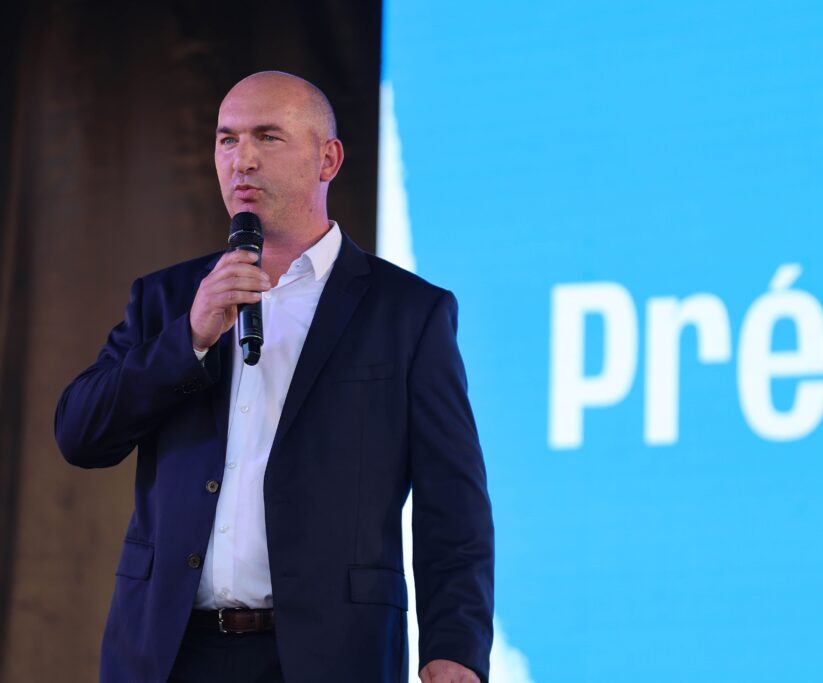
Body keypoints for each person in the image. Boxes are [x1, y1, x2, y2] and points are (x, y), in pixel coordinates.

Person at [54, 71, 494, 683]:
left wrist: (455, 648)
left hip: (329, 653)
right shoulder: (169, 300)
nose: (243, 160)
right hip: (168, 652)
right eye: (226, 140)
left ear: (328, 159)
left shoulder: (407, 313)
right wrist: (190, 338)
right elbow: (80, 434)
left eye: (267, 136)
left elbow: (454, 502)